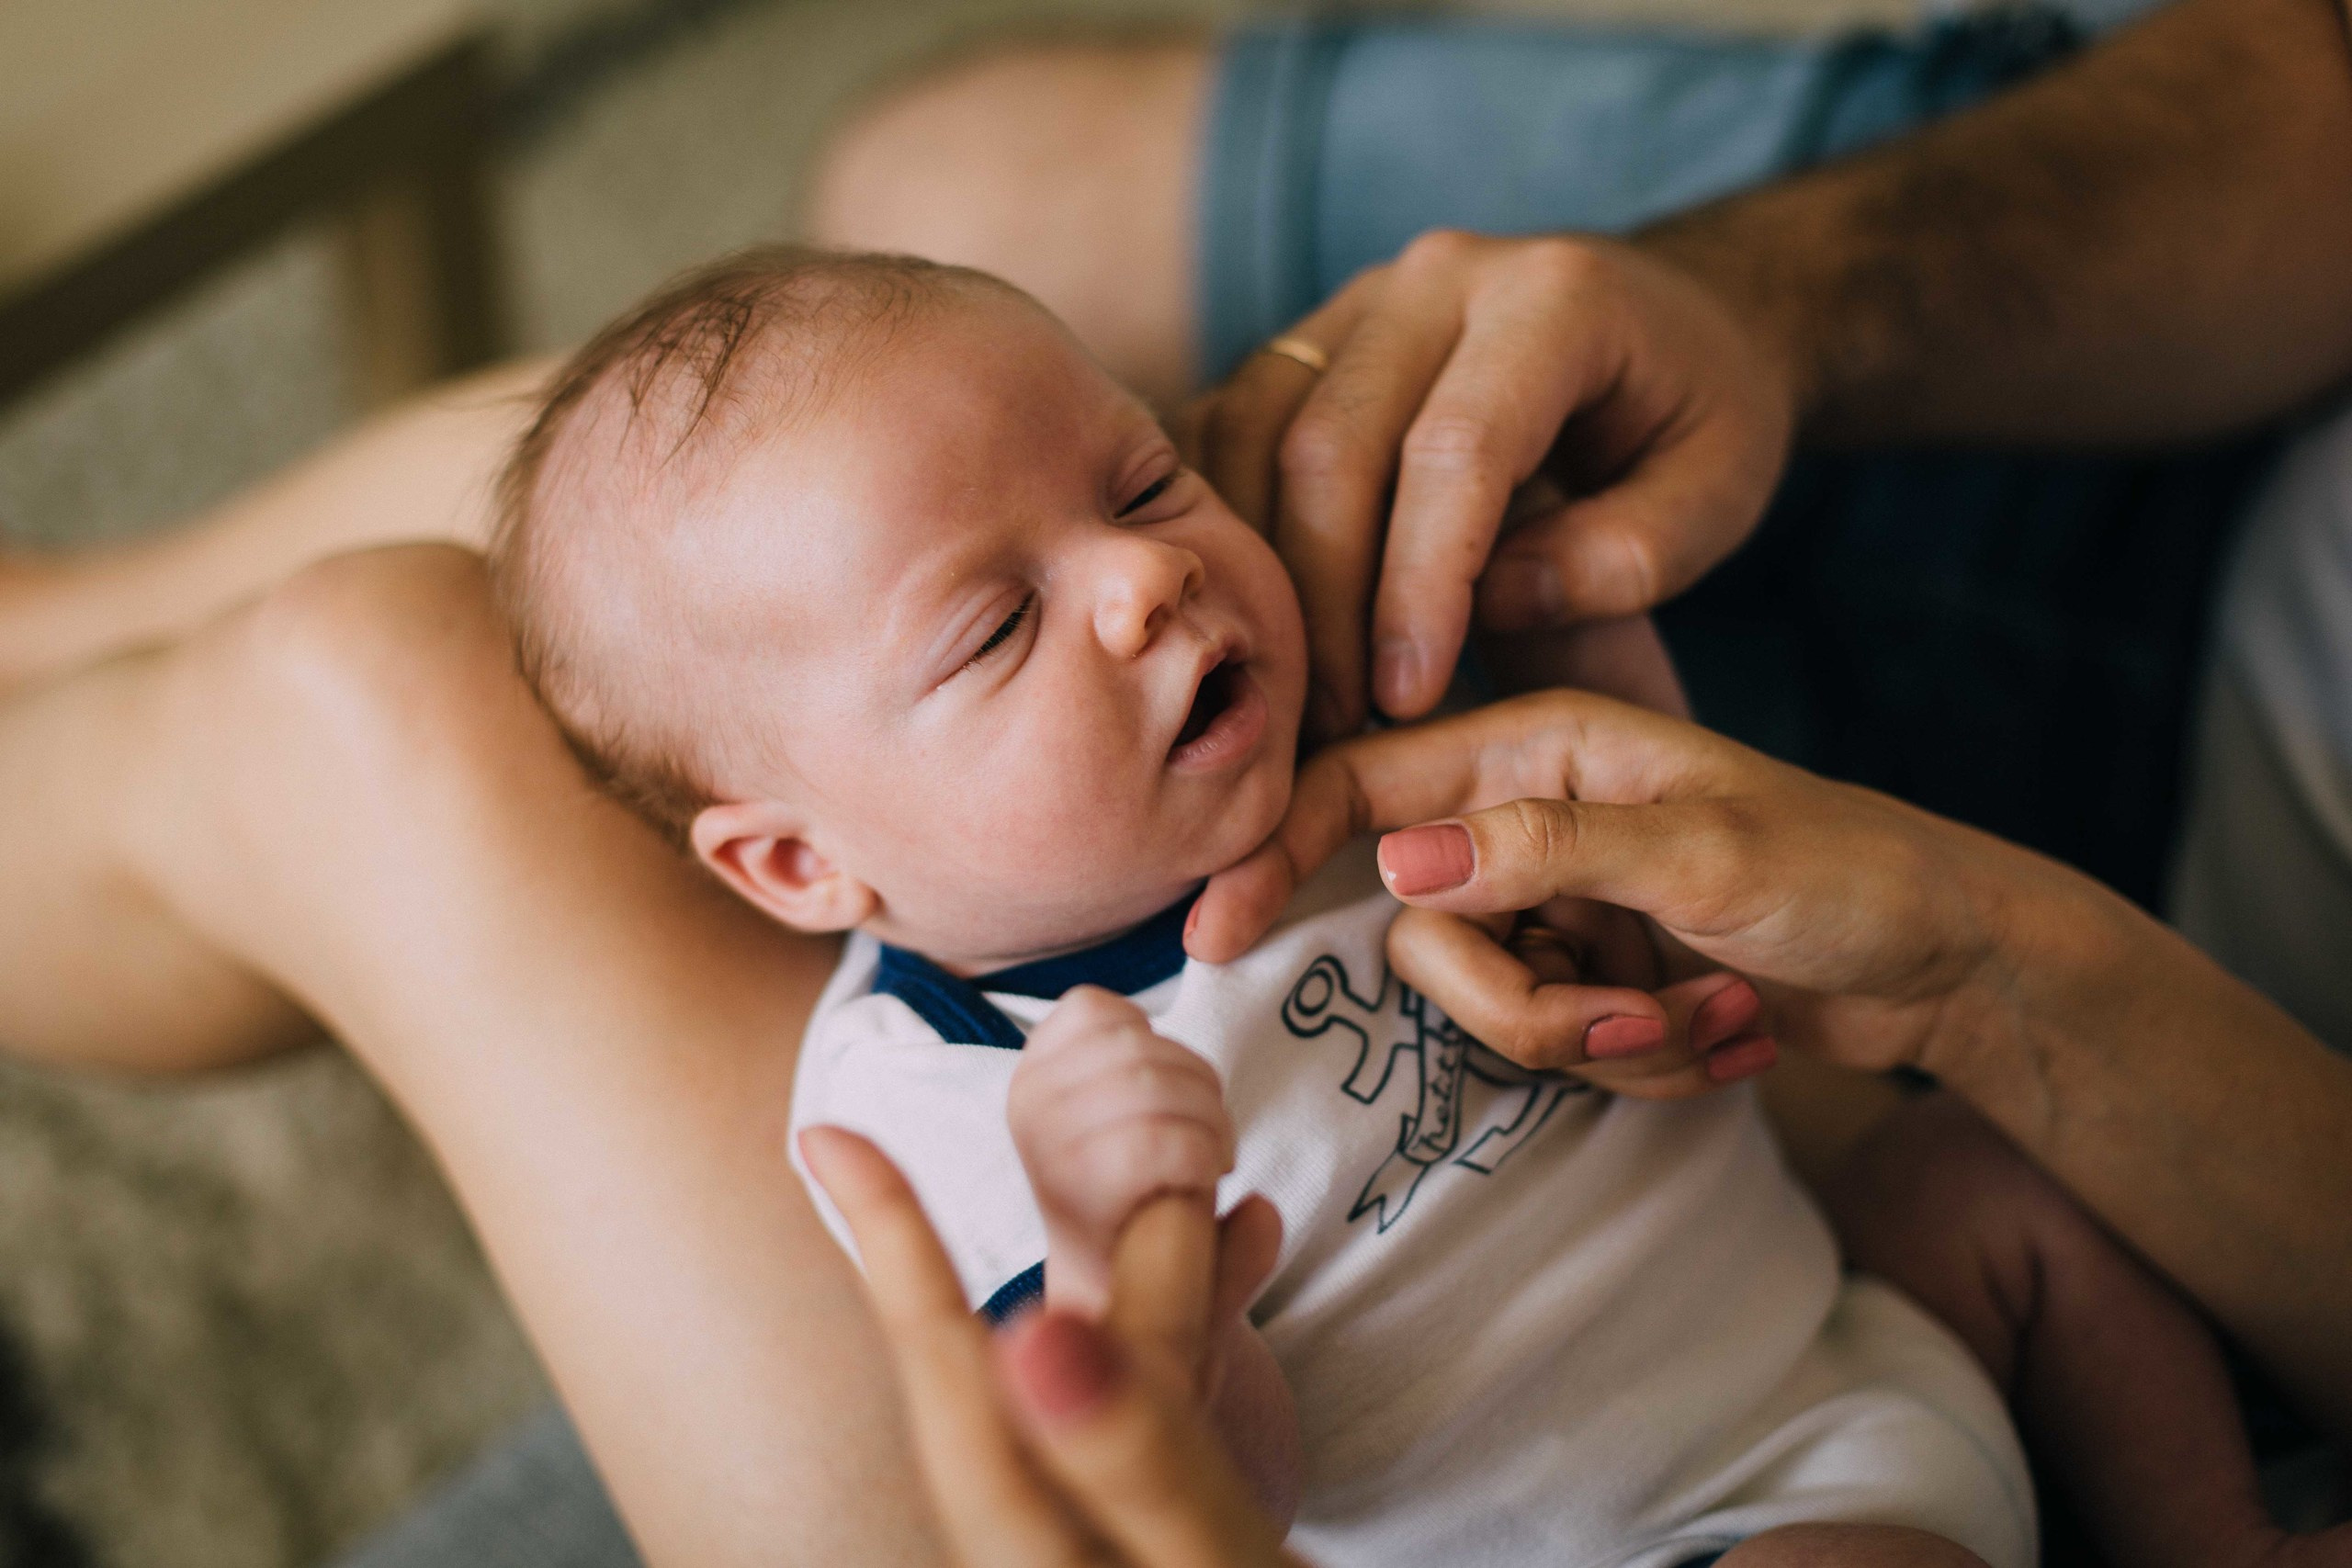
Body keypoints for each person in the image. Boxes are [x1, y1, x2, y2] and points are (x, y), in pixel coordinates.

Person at [0, 0, 2342, 1562]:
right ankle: (65, 606)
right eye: (1002, 625)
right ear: (802, 867)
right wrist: (1156, 1311)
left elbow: (1676, 833)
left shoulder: (1308, 706)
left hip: (1831, 1348)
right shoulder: (933, 1101)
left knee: (380, 682)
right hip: (1642, 1526)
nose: (1141, 586)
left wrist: (1625, 706)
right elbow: (1198, 1475)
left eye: (1137, 481)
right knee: (593, 494)